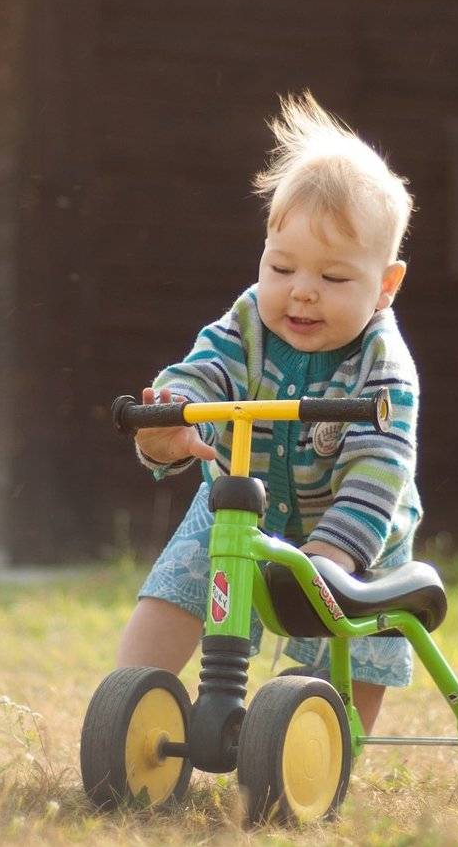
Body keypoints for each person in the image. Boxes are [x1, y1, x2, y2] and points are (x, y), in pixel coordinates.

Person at [118, 91, 422, 734]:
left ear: (385, 286)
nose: (302, 291)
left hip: (354, 527)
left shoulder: (383, 367)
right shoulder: (249, 321)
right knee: (171, 595)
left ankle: (321, 740)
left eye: (335, 279)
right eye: (282, 267)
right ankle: (128, 713)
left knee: (347, 661)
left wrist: (333, 555)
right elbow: (205, 371)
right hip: (235, 505)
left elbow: (381, 468)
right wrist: (173, 422)